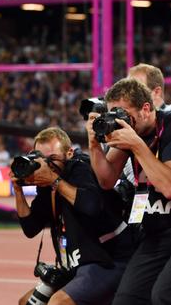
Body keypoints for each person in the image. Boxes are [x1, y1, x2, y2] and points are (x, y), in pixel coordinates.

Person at [86, 78, 171, 304]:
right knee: (127, 299)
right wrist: (93, 146)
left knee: (166, 296)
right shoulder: (131, 132)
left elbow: (170, 187)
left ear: (146, 109)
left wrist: (136, 145)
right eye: (113, 113)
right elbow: (106, 180)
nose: (118, 119)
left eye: (122, 112)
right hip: (159, 229)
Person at [13, 127, 134, 305]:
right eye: (42, 159)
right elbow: (30, 228)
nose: (47, 165)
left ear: (69, 153)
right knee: (26, 303)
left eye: (52, 158)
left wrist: (54, 181)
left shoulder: (82, 166)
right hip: (74, 266)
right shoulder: (47, 184)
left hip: (108, 260)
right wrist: (18, 191)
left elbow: (91, 206)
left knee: (59, 303)